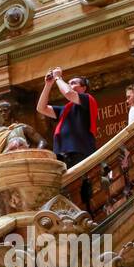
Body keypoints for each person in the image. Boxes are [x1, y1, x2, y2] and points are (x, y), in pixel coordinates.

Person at [36, 68, 99, 207]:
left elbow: (69, 94)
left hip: (79, 152)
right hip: (62, 155)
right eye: (68, 82)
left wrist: (58, 78)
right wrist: (48, 84)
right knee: (66, 192)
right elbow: (41, 108)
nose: (70, 84)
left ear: (84, 88)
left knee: (81, 191)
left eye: (74, 82)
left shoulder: (87, 99)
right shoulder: (66, 109)